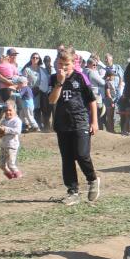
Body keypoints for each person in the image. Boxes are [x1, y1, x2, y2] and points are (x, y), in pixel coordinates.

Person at [48, 50, 100, 206]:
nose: (64, 67)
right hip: (62, 124)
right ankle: (73, 192)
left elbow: (92, 100)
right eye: (61, 64)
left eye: (67, 64)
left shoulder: (81, 77)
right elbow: (52, 100)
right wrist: (60, 82)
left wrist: (94, 121)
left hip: (80, 121)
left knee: (82, 154)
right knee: (67, 158)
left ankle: (92, 179)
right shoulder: (53, 78)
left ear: (73, 63)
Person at [0, 100, 22, 179]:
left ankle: (19, 177)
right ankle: (10, 176)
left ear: (14, 110)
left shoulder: (17, 121)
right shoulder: (3, 121)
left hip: (12, 145)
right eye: (6, 110)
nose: (8, 112)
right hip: (4, 145)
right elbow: (0, 132)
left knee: (11, 164)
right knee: (1, 164)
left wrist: (5, 129)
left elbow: (17, 131)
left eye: (10, 110)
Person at [38, 56, 54, 130]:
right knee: (44, 110)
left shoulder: (53, 69)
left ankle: (50, 125)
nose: (47, 62)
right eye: (46, 61)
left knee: (50, 109)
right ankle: (46, 125)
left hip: (51, 92)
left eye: (48, 61)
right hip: (43, 92)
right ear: (44, 62)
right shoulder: (41, 69)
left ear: (50, 61)